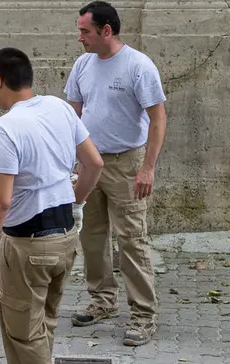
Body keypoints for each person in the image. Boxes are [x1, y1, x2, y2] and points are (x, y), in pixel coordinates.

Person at [0, 48, 104, 364]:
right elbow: (94, 163)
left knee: (23, 331)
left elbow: (0, 201)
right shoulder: (60, 108)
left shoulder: (6, 128)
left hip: (28, 244)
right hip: (64, 236)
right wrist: (77, 201)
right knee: (41, 322)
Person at [64, 0, 167, 346]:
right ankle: (102, 301)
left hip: (127, 164)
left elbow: (158, 118)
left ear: (106, 30)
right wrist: (72, 162)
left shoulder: (138, 66)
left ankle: (143, 316)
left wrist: (147, 168)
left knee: (131, 240)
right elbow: (73, 116)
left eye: (85, 31)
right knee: (90, 236)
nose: (79, 37)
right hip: (90, 162)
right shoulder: (82, 65)